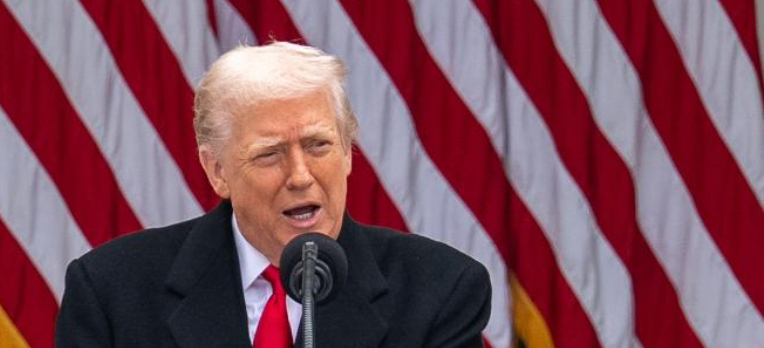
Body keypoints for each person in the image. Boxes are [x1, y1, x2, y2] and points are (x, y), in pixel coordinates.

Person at [56, 42, 491, 348]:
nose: (300, 176)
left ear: (347, 154)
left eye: (319, 145)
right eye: (270, 155)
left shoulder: (440, 291)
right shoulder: (113, 291)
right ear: (218, 170)